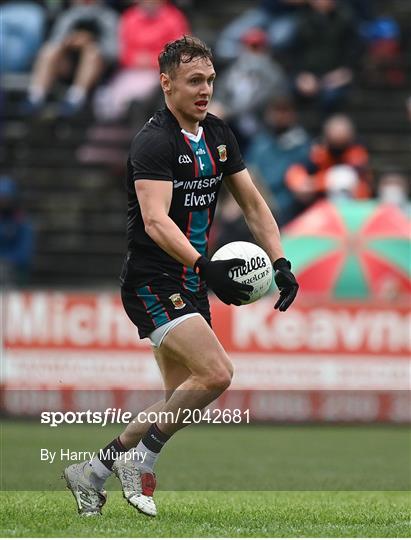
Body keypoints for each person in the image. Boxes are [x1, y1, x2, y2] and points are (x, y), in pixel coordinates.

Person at [63, 36, 299, 517]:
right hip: (153, 282)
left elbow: (253, 204)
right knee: (217, 373)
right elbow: (155, 221)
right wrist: (206, 265)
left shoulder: (218, 134)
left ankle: (91, 472)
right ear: (166, 83)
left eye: (210, 79)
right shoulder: (153, 141)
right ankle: (141, 465)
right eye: (195, 80)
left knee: (177, 403)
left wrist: (280, 262)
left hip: (189, 281)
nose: (205, 89)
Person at [93, 0, 190, 121]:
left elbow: (179, 50)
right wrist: (134, 59)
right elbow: (121, 49)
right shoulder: (129, 17)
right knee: (111, 99)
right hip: (131, 70)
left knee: (142, 96)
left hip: (160, 71)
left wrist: (154, 60)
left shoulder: (174, 18)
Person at [22, 0, 118, 117]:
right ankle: (35, 97)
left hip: (97, 72)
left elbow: (113, 53)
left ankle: (75, 99)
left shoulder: (109, 17)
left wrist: (89, 42)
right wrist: (69, 42)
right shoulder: (68, 15)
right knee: (49, 50)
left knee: (92, 52)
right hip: (66, 67)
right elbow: (55, 41)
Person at [209, 28, 289, 151]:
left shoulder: (273, 73)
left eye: (256, 47)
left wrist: (228, 110)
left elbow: (263, 102)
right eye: (249, 46)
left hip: (261, 124)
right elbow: (220, 93)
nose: (252, 52)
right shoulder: (234, 70)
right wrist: (218, 107)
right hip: (234, 124)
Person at [245, 96, 311, 226]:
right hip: (260, 199)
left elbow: (304, 179)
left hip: (289, 204)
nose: (280, 116)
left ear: (292, 114)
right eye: (276, 111)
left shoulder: (302, 144)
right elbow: (248, 171)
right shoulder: (260, 141)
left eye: (285, 111)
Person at [285, 114, 371, 204]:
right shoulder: (318, 152)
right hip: (320, 205)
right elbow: (295, 170)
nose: (338, 139)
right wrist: (300, 183)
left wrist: (315, 183)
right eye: (335, 136)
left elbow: (349, 179)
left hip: (352, 205)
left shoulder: (357, 154)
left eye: (342, 138)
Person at [292, 0, 358, 114]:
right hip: (308, 74)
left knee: (330, 98)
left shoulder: (345, 18)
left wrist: (345, 72)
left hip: (336, 75)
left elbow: (353, 50)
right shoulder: (301, 19)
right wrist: (301, 74)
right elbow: (295, 51)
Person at [0, 176, 34, 286]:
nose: (3, 202)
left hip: (14, 273)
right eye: (1, 198)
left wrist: (5, 262)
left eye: (6, 198)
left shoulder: (22, 223)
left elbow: (24, 254)